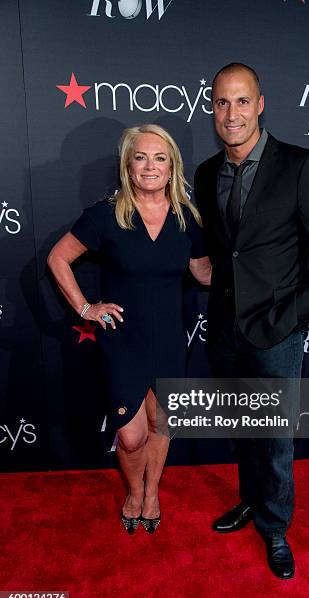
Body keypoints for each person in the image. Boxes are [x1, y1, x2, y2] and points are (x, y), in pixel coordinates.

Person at [194, 63, 309, 578]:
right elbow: (228, 253)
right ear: (211, 108)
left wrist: (291, 317)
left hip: (277, 333)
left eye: (242, 102)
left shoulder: (300, 166)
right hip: (224, 330)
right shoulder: (203, 173)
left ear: (260, 104)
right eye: (221, 103)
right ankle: (249, 500)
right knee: (244, 428)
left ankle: (275, 528)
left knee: (276, 438)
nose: (231, 114)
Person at [48, 124, 211, 534]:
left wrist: (253, 262)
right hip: (123, 341)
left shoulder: (186, 218)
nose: (150, 166)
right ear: (128, 166)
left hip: (171, 339)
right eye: (141, 157)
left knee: (162, 424)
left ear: (172, 167)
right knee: (133, 435)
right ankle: (132, 489)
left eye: (160, 158)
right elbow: (57, 258)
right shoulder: (106, 214)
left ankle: (149, 493)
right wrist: (85, 307)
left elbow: (202, 271)